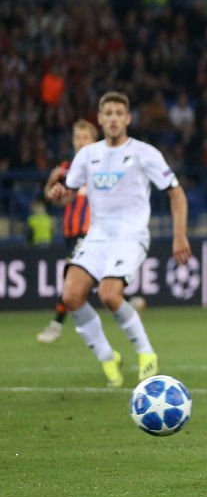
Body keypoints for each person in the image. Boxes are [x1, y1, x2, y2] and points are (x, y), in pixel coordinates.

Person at [47, 92, 191, 386]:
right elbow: (69, 192)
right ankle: (107, 356)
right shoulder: (88, 155)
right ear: (100, 120)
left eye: (118, 113)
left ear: (127, 119)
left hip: (130, 236)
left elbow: (176, 193)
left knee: (109, 294)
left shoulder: (144, 153)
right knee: (71, 296)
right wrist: (59, 193)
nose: (112, 118)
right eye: (107, 113)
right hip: (97, 237)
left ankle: (146, 353)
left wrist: (179, 236)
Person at [37, 120, 99, 344]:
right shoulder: (66, 168)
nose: (81, 142)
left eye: (85, 138)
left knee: (70, 279)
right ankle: (126, 302)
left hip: (90, 231)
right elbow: (56, 199)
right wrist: (51, 183)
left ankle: (56, 325)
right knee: (82, 284)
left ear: (94, 141)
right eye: (77, 138)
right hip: (70, 232)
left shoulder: (100, 166)